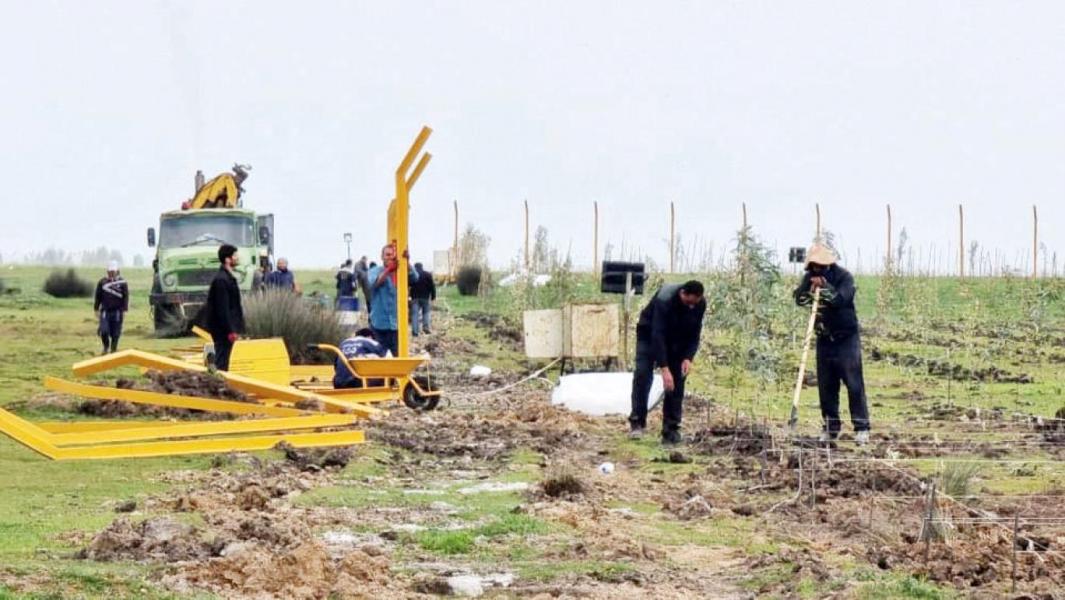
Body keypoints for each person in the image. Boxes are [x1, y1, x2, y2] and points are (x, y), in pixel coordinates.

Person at [793, 243, 870, 445]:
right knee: (826, 385)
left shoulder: (844, 277)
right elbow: (799, 299)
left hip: (846, 338)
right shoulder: (809, 277)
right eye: (813, 266)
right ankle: (830, 428)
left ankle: (861, 428)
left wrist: (825, 288)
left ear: (827, 264)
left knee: (853, 383)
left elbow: (840, 300)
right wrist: (809, 291)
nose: (816, 269)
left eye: (819, 265)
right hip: (824, 338)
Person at [628, 280, 707, 445]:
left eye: (695, 303)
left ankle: (671, 430)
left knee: (677, 380)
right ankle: (637, 422)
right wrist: (664, 368)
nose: (691, 307)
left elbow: (695, 332)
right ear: (682, 293)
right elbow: (658, 334)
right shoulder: (665, 300)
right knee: (643, 375)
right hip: (649, 334)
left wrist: (688, 357)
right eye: (688, 302)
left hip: (676, 338)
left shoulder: (699, 304)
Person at [368, 244, 417, 356]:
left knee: (398, 356)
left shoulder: (401, 272)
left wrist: (407, 262)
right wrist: (389, 270)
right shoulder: (375, 271)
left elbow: (415, 278)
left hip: (397, 325)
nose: (390, 258)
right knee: (379, 357)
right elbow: (374, 283)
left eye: (393, 256)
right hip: (379, 324)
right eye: (388, 255)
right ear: (382, 256)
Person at [205, 244, 245, 371]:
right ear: (227, 259)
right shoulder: (221, 280)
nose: (237, 258)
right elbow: (223, 308)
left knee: (225, 359)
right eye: (235, 255)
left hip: (228, 328)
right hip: (222, 330)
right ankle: (217, 381)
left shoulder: (228, 277)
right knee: (221, 360)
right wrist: (230, 330)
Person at [93, 261, 129, 354]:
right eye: (110, 272)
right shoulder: (102, 282)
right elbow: (98, 296)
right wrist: (96, 309)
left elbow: (125, 297)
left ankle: (113, 350)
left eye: (113, 271)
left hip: (118, 311)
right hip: (105, 311)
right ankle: (106, 347)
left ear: (117, 271)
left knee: (115, 333)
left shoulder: (123, 283)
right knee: (104, 330)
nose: (111, 273)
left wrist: (125, 310)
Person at [409, 262, 436, 335]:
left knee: (415, 314)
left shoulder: (412, 275)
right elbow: (432, 286)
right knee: (426, 313)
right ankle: (426, 328)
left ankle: (415, 331)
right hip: (425, 297)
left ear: (415, 267)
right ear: (422, 267)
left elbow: (409, 285)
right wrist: (433, 296)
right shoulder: (428, 274)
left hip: (415, 297)